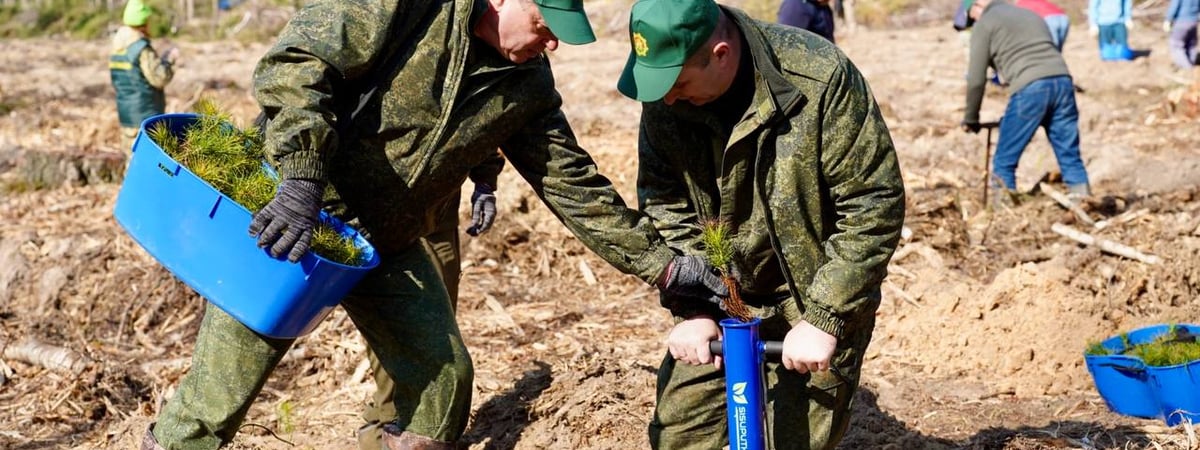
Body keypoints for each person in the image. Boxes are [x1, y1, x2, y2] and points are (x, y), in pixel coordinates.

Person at [139, 0, 730, 448]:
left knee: (442, 373)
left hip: (385, 242)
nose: (550, 44)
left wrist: (664, 265)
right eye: (545, 25)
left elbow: (572, 185)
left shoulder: (525, 88)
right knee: (222, 389)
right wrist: (299, 177)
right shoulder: (410, 9)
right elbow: (293, 65)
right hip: (294, 220)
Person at [617, 0, 905, 447]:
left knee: (799, 439)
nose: (667, 97)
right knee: (681, 434)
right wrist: (693, 307)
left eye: (677, 83)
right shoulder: (667, 95)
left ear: (720, 54)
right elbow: (665, 202)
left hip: (814, 293)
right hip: (723, 296)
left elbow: (871, 204)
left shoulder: (818, 77)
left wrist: (826, 317)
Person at [357, 156, 502, 450]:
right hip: (376, 216)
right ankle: (383, 431)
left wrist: (485, 181)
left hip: (437, 216)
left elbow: (480, 117)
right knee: (396, 336)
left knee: (440, 343)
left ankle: (423, 433)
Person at [960, 0, 1091, 205]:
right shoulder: (1029, 14)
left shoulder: (985, 23)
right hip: (1063, 82)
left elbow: (976, 79)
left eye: (971, 18)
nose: (973, 22)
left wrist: (971, 118)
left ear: (976, 7)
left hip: (1031, 89)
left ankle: (1002, 215)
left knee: (1004, 161)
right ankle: (1084, 202)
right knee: (1070, 156)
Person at [109, 0, 179, 150]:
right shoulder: (141, 48)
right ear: (144, 21)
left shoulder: (117, 47)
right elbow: (159, 78)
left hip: (126, 115)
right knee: (146, 163)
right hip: (145, 116)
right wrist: (169, 61)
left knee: (132, 163)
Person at [1163, 0, 1199, 70]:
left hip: (1181, 22)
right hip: (1193, 22)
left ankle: (1187, 67)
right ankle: (1192, 62)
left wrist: (1168, 19)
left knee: (1176, 45)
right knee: (1191, 45)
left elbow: (1174, 7)